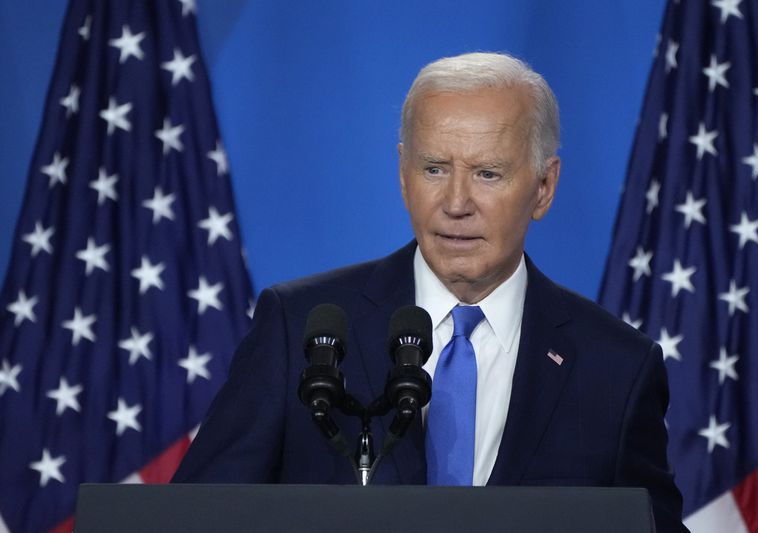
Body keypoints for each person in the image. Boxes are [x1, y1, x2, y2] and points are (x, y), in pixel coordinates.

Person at [172, 52, 688, 532]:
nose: (456, 202)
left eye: (488, 173)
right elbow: (194, 519)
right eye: (434, 169)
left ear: (544, 187)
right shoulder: (300, 329)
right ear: (403, 173)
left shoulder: (616, 369)